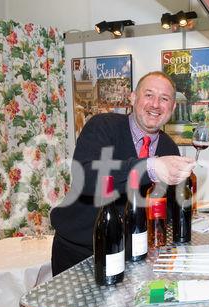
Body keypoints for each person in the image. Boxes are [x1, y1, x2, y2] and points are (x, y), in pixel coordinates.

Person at [51, 71, 195, 275]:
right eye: (148, 95)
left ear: (171, 108)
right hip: (81, 251)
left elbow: (167, 207)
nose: (155, 104)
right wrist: (150, 167)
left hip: (132, 253)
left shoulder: (168, 147)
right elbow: (87, 178)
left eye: (164, 99)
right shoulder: (102, 125)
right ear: (133, 98)